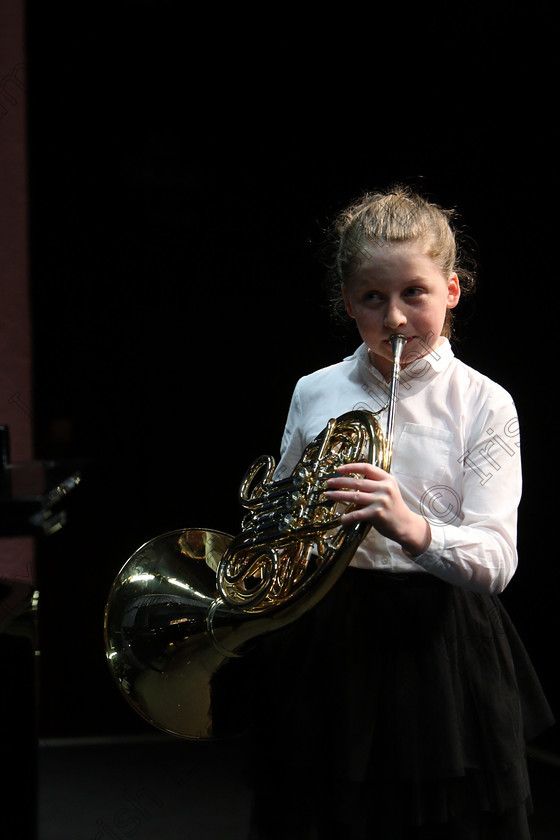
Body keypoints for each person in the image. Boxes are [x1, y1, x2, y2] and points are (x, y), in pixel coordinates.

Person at [245, 186, 554, 840]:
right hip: (331, 640)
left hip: (442, 648)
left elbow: (497, 563)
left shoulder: (484, 403)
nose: (394, 319)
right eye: (371, 299)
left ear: (451, 290)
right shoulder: (315, 391)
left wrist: (409, 526)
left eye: (414, 293)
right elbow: (283, 527)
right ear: (347, 300)